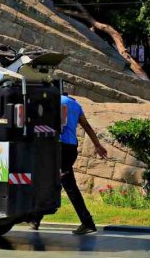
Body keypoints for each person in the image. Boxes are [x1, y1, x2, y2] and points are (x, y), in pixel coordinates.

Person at [31, 86, 109, 235]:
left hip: (58, 147)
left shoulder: (54, 101)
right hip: (71, 148)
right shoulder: (76, 104)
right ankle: (36, 219)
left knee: (65, 185)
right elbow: (86, 125)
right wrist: (97, 145)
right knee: (52, 182)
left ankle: (87, 222)